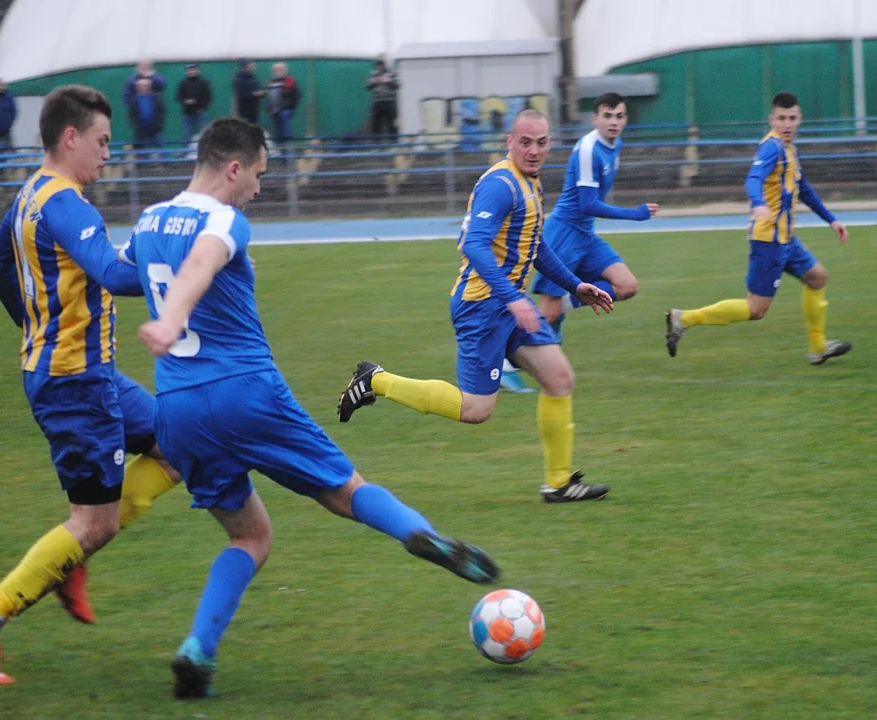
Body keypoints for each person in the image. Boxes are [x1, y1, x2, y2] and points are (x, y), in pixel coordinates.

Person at [125, 117, 499, 699]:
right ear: (232, 168)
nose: (258, 187)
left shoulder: (147, 220)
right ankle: (423, 534)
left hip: (176, 408)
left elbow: (116, 272)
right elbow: (200, 261)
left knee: (249, 537)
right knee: (346, 491)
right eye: (258, 175)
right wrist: (172, 319)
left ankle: (197, 649)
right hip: (245, 392)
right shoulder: (224, 218)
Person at [0, 85, 180, 686]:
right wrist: (185, 265)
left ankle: (71, 558)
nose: (109, 153)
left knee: (179, 445)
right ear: (70, 137)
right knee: (94, 521)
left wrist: (32, 326)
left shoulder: (31, 193)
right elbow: (110, 271)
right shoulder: (69, 204)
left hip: (88, 374)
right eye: (103, 141)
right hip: (73, 385)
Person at [337, 110, 615, 503]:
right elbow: (474, 245)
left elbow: (535, 246)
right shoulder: (500, 185)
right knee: (475, 410)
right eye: (525, 142)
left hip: (509, 304)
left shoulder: (531, 183)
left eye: (541, 142)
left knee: (559, 379)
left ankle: (558, 483)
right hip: (482, 307)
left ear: (550, 143)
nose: (534, 150)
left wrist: (575, 284)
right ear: (509, 141)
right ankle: (375, 381)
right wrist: (514, 298)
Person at [665, 92, 852, 366]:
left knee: (817, 278)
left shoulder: (790, 149)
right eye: (781, 118)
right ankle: (682, 318)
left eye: (792, 118)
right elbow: (753, 177)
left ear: (799, 120)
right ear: (771, 119)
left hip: (786, 239)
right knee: (755, 310)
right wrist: (759, 203)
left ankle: (817, 348)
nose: (787, 124)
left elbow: (804, 190)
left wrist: (831, 219)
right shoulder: (772, 148)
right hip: (769, 241)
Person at [532, 92, 658, 339]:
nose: (613, 122)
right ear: (594, 119)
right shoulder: (588, 150)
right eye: (607, 116)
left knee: (627, 286)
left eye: (619, 116)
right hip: (564, 234)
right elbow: (588, 205)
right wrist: (635, 214)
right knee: (547, 316)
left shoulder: (615, 144)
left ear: (626, 120)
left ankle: (566, 304)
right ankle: (505, 364)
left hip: (585, 235)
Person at [176, 63, 212, 144]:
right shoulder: (183, 83)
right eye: (189, 70)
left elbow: (208, 97)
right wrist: (185, 101)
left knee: (203, 134)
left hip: (200, 112)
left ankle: (204, 151)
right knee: (186, 134)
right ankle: (184, 153)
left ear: (197, 70)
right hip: (187, 112)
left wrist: (199, 104)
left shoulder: (203, 82)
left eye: (193, 70)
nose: (191, 72)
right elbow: (178, 97)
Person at [266, 62, 300, 147]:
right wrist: (269, 108)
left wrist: (290, 106)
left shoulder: (290, 81)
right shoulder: (271, 82)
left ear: (285, 71)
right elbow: (269, 96)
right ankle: (282, 153)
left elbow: (296, 95)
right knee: (278, 131)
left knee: (284, 119)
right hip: (275, 111)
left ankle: (287, 142)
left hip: (286, 109)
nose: (278, 72)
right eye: (276, 70)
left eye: (280, 70)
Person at [128, 77, 165, 151]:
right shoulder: (134, 100)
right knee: (142, 151)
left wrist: (159, 125)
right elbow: (132, 115)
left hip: (155, 129)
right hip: (141, 130)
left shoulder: (156, 98)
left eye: (146, 85)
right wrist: (136, 125)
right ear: (137, 87)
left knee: (162, 149)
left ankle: (165, 162)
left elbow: (162, 111)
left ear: (150, 86)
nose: (144, 87)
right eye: (141, 86)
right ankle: (144, 162)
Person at [366, 57, 399, 140]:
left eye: (382, 64)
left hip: (389, 102)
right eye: (379, 64)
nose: (380, 66)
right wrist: (376, 81)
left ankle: (394, 143)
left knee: (392, 124)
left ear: (385, 65)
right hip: (377, 103)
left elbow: (397, 85)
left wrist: (389, 81)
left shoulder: (391, 73)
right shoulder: (373, 74)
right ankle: (377, 145)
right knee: (376, 125)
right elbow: (368, 86)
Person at [232, 60, 265, 126]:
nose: (252, 68)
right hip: (244, 110)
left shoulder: (254, 78)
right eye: (250, 66)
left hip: (255, 109)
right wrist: (253, 94)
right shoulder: (239, 79)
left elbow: (259, 89)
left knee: (254, 129)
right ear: (244, 67)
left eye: (253, 66)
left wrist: (262, 93)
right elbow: (240, 94)